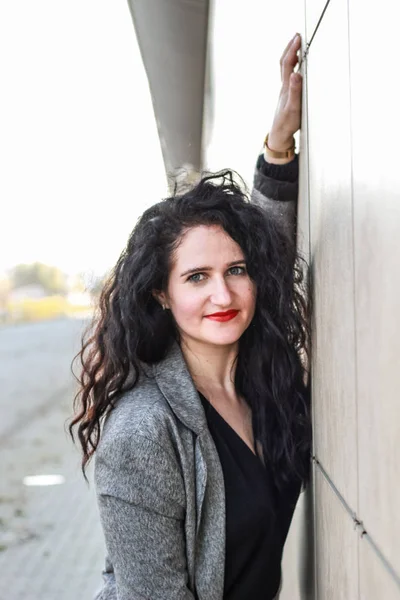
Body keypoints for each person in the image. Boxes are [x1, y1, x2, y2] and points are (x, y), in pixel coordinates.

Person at [70, 33, 311, 600]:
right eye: (196, 278)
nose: (222, 294)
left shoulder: (259, 377)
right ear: (160, 294)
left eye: (236, 271)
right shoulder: (143, 432)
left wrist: (279, 145)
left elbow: (267, 249)